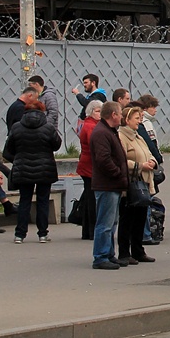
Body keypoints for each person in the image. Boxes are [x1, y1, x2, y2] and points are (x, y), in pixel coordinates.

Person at [2, 98, 61, 243]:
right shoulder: (48, 127)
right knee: (42, 201)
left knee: (24, 201)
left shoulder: (16, 127)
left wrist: (19, 158)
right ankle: (42, 233)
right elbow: (57, 145)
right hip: (44, 169)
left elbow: (8, 150)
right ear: (42, 111)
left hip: (23, 168)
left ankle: (20, 234)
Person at [117, 105, 156, 265]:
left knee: (140, 218)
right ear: (127, 120)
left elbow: (149, 152)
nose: (139, 121)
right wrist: (140, 165)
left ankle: (138, 251)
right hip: (131, 184)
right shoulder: (121, 137)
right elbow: (121, 160)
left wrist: (152, 161)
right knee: (127, 219)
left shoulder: (138, 136)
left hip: (144, 182)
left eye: (140, 118)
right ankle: (124, 252)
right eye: (136, 119)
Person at [90, 102, 126, 270]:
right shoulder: (102, 133)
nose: (121, 117)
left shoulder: (108, 131)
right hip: (107, 184)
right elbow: (103, 159)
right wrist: (117, 172)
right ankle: (101, 256)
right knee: (105, 223)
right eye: (120, 114)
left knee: (111, 223)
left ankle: (109, 254)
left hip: (112, 184)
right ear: (113, 114)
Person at [135, 94, 165, 245]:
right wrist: (157, 159)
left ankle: (145, 232)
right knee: (146, 199)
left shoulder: (145, 122)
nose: (155, 110)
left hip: (147, 164)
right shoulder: (144, 124)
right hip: (144, 167)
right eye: (153, 107)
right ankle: (146, 233)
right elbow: (150, 143)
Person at [76, 100, 104, 241]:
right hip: (90, 166)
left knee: (89, 198)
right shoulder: (90, 126)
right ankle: (91, 230)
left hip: (87, 165)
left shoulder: (90, 125)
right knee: (92, 200)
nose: (100, 114)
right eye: (98, 111)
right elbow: (95, 147)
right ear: (91, 112)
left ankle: (87, 230)